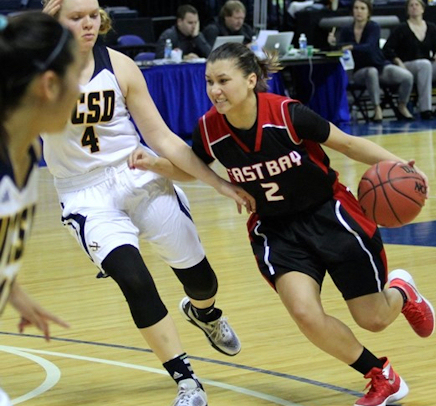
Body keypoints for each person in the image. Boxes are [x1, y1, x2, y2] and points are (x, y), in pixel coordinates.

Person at [130, 42, 436, 406]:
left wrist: (404, 167)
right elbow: (194, 169)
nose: (215, 90)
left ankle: (402, 291)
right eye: (209, 81)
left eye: (223, 80)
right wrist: (154, 164)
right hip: (276, 229)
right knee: (305, 313)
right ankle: (380, 375)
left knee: (373, 319)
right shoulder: (209, 129)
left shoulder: (288, 115)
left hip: (330, 214)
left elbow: (349, 144)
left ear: (250, 80)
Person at [41, 0, 252, 405]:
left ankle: (204, 313)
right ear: (54, 19)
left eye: (91, 15)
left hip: (136, 172)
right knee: (134, 280)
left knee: (201, 280)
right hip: (83, 193)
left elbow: (163, 138)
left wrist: (218, 183)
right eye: (75, 16)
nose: (87, 23)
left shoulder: (119, 65)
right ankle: (187, 381)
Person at [0, 11, 83, 406]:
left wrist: (10, 289)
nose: (81, 90)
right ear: (49, 85)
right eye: (77, 74)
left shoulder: (30, 149)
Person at [328, 0, 414, 121]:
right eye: (356, 8)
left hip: (380, 67)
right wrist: (333, 43)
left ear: (368, 12)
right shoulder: (346, 30)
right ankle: (377, 108)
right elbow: (340, 49)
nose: (359, 11)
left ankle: (402, 104)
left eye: (362, 8)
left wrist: (352, 46)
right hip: (358, 71)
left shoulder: (373, 27)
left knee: (407, 76)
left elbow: (369, 46)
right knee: (371, 72)